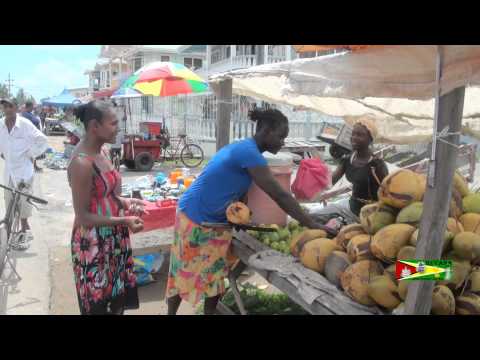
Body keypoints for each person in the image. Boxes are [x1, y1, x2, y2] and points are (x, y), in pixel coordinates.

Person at [166, 108, 336, 315]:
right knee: (185, 272)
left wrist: (239, 211)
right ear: (266, 131)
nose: (283, 142)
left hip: (206, 216)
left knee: (213, 276)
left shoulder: (243, 148)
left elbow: (235, 186)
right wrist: (311, 223)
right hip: (197, 217)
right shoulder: (249, 154)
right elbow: (279, 194)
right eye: (281, 136)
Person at [67, 100, 145, 315]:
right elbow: (83, 216)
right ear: (94, 127)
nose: (118, 127)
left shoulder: (103, 153)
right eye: (113, 123)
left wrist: (128, 203)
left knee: (117, 301)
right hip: (93, 243)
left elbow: (108, 195)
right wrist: (124, 220)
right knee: (99, 305)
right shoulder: (81, 163)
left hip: (113, 240)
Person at [314, 118, 389, 224]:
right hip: (352, 208)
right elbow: (331, 180)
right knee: (316, 217)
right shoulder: (348, 159)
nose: (354, 138)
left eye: (360, 135)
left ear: (370, 139)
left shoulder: (377, 164)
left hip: (371, 215)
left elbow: (388, 192)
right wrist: (315, 178)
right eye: (353, 134)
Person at [0, 98, 48, 250]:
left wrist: (31, 153)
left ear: (16, 108)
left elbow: (43, 140)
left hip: (23, 171)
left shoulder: (25, 125)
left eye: (10, 106)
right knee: (8, 201)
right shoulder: (0, 124)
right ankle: (8, 231)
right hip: (8, 170)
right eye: (4, 106)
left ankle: (24, 228)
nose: (7, 109)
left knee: (23, 203)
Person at [21, 101, 43, 172]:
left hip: (31, 136)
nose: (33, 108)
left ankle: (34, 166)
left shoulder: (29, 113)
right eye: (32, 107)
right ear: (29, 106)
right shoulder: (25, 114)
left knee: (33, 152)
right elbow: (36, 121)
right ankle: (31, 167)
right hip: (28, 136)